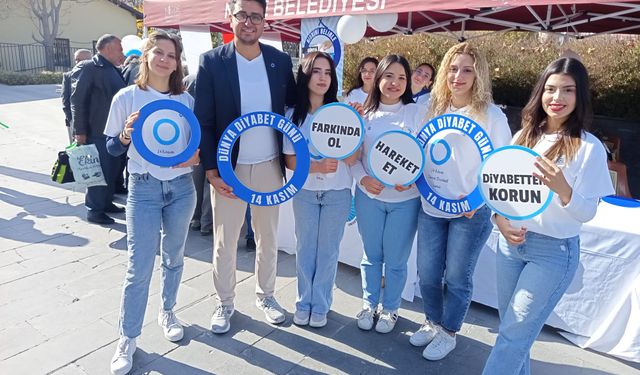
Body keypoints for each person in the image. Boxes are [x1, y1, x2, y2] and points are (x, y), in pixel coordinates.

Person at [482, 58, 614, 375]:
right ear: (540, 93)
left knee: (512, 336)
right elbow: (499, 192)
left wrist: (563, 189)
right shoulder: (523, 137)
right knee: (515, 335)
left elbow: (588, 212)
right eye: (551, 89)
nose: (557, 98)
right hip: (510, 246)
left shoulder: (589, 147)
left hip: (552, 252)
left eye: (567, 90)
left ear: (580, 96)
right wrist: (498, 220)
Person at [194, 0, 296, 334]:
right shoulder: (211, 62)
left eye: (255, 16)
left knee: (268, 237)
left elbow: (296, 107)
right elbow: (204, 120)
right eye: (242, 15)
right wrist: (211, 169)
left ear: (265, 21)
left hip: (269, 165)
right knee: (226, 240)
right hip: (228, 168)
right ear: (230, 17)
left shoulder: (279, 62)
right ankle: (224, 302)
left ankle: (266, 296)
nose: (248, 22)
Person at [103, 30, 199, 375]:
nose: (164, 59)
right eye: (158, 52)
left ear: (177, 62)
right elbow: (112, 149)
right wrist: (126, 135)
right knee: (138, 266)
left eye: (171, 55)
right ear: (146, 55)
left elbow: (190, 151)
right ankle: (127, 337)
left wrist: (194, 158)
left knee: (174, 257)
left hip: (181, 189)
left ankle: (168, 310)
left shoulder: (186, 102)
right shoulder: (126, 97)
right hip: (142, 189)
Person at [410, 42, 512, 361]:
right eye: (453, 69)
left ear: (478, 74)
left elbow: (501, 163)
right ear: (444, 72)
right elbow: (414, 150)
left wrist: (481, 198)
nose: (459, 76)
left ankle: (449, 331)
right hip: (431, 205)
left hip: (470, 211)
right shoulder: (428, 107)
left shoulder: (491, 115)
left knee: (456, 275)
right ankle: (432, 321)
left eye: (467, 69)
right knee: (427, 272)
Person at [350, 55, 425, 334]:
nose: (394, 83)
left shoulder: (417, 114)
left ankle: (391, 309)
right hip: (369, 198)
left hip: (405, 202)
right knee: (371, 256)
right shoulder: (363, 115)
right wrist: (363, 179)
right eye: (389, 76)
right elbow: (353, 157)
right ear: (378, 78)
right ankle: (369, 304)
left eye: (401, 78)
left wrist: (414, 179)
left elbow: (425, 158)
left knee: (396, 260)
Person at [284, 51, 355, 328]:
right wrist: (317, 167)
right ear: (305, 75)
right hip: (305, 192)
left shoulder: (343, 111)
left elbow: (354, 155)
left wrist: (353, 140)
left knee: (328, 251)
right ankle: (304, 302)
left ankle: (321, 304)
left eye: (327, 72)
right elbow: (289, 160)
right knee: (305, 249)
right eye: (316, 71)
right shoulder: (292, 115)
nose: (322, 77)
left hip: (337, 194)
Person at [70, 34, 126, 225]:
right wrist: (80, 131)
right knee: (99, 173)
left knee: (112, 171)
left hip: (113, 132)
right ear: (108, 48)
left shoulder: (113, 69)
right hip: (96, 132)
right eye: (120, 49)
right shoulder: (89, 67)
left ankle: (106, 202)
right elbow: (77, 101)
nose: (123, 54)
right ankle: (94, 210)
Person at [184, 73, 213, 236]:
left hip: (194, 135)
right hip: (211, 133)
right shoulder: (215, 76)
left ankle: (195, 218)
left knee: (196, 179)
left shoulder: (189, 78)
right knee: (210, 180)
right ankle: (207, 222)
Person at [61, 49, 92, 144]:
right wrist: (72, 122)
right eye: (76, 60)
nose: (78, 63)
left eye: (81, 60)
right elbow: (66, 101)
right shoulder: (68, 76)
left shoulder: (96, 75)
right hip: (75, 124)